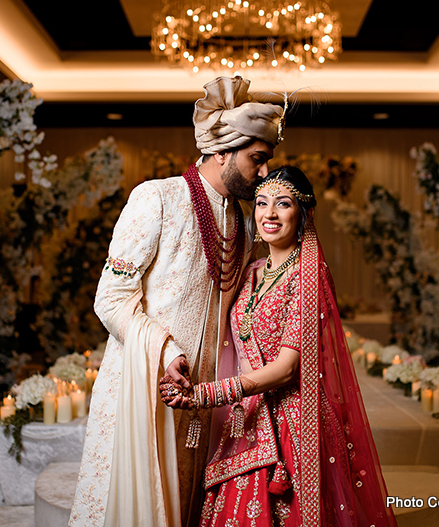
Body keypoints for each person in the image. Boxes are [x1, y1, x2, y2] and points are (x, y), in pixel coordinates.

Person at [70, 76, 283, 527]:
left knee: (187, 505)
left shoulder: (243, 220)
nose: (264, 173)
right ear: (222, 151)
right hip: (147, 382)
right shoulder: (157, 198)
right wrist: (165, 352)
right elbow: (110, 298)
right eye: (257, 160)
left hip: (205, 394)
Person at [161, 166, 398, 527]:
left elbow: (287, 367)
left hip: (293, 425)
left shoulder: (308, 276)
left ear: (305, 213)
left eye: (282, 204)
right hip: (245, 420)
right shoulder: (251, 270)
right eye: (261, 203)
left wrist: (204, 395)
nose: (269, 214)